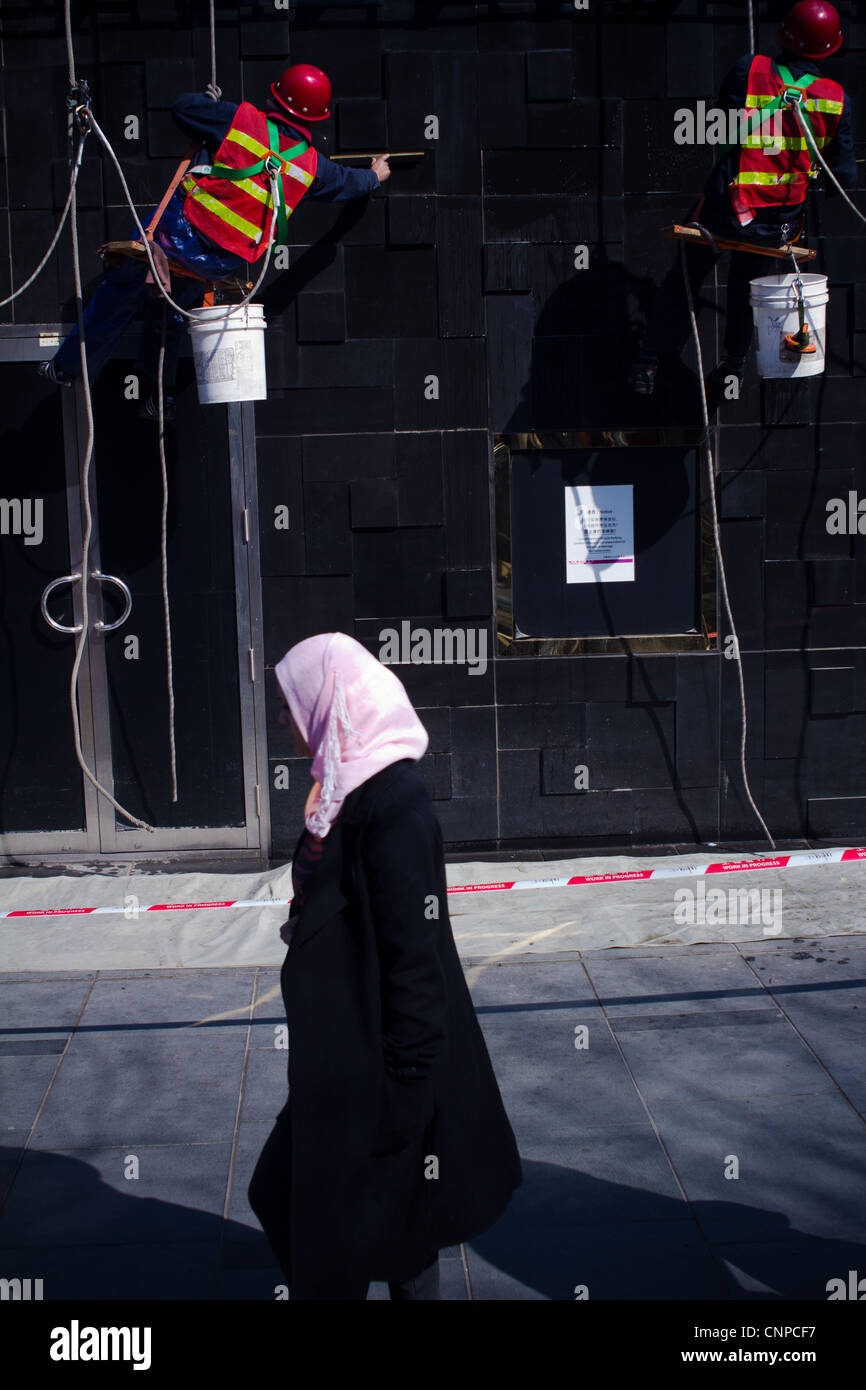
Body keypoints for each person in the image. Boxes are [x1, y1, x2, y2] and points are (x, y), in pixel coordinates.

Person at [247, 632, 522, 1300]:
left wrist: (402, 1098)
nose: (284, 719)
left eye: (290, 703)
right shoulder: (344, 788)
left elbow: (415, 962)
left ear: (328, 701)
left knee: (310, 1209)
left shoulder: (392, 806)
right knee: (396, 1229)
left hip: (381, 1068)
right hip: (351, 1058)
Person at [39, 64, 392, 419]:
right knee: (174, 316)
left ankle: (69, 369)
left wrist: (208, 105)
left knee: (119, 293)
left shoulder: (240, 120)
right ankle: (159, 396)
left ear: (275, 97)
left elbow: (181, 108)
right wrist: (374, 175)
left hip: (174, 235)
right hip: (218, 260)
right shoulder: (312, 166)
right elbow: (348, 183)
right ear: (314, 118)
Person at [628, 1, 856, 397]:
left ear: (785, 33)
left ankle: (648, 363)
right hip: (776, 223)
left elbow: (722, 124)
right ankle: (731, 367)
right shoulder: (836, 99)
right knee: (744, 289)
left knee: (684, 279)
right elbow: (845, 175)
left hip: (725, 210)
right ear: (830, 47)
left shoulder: (748, 69)